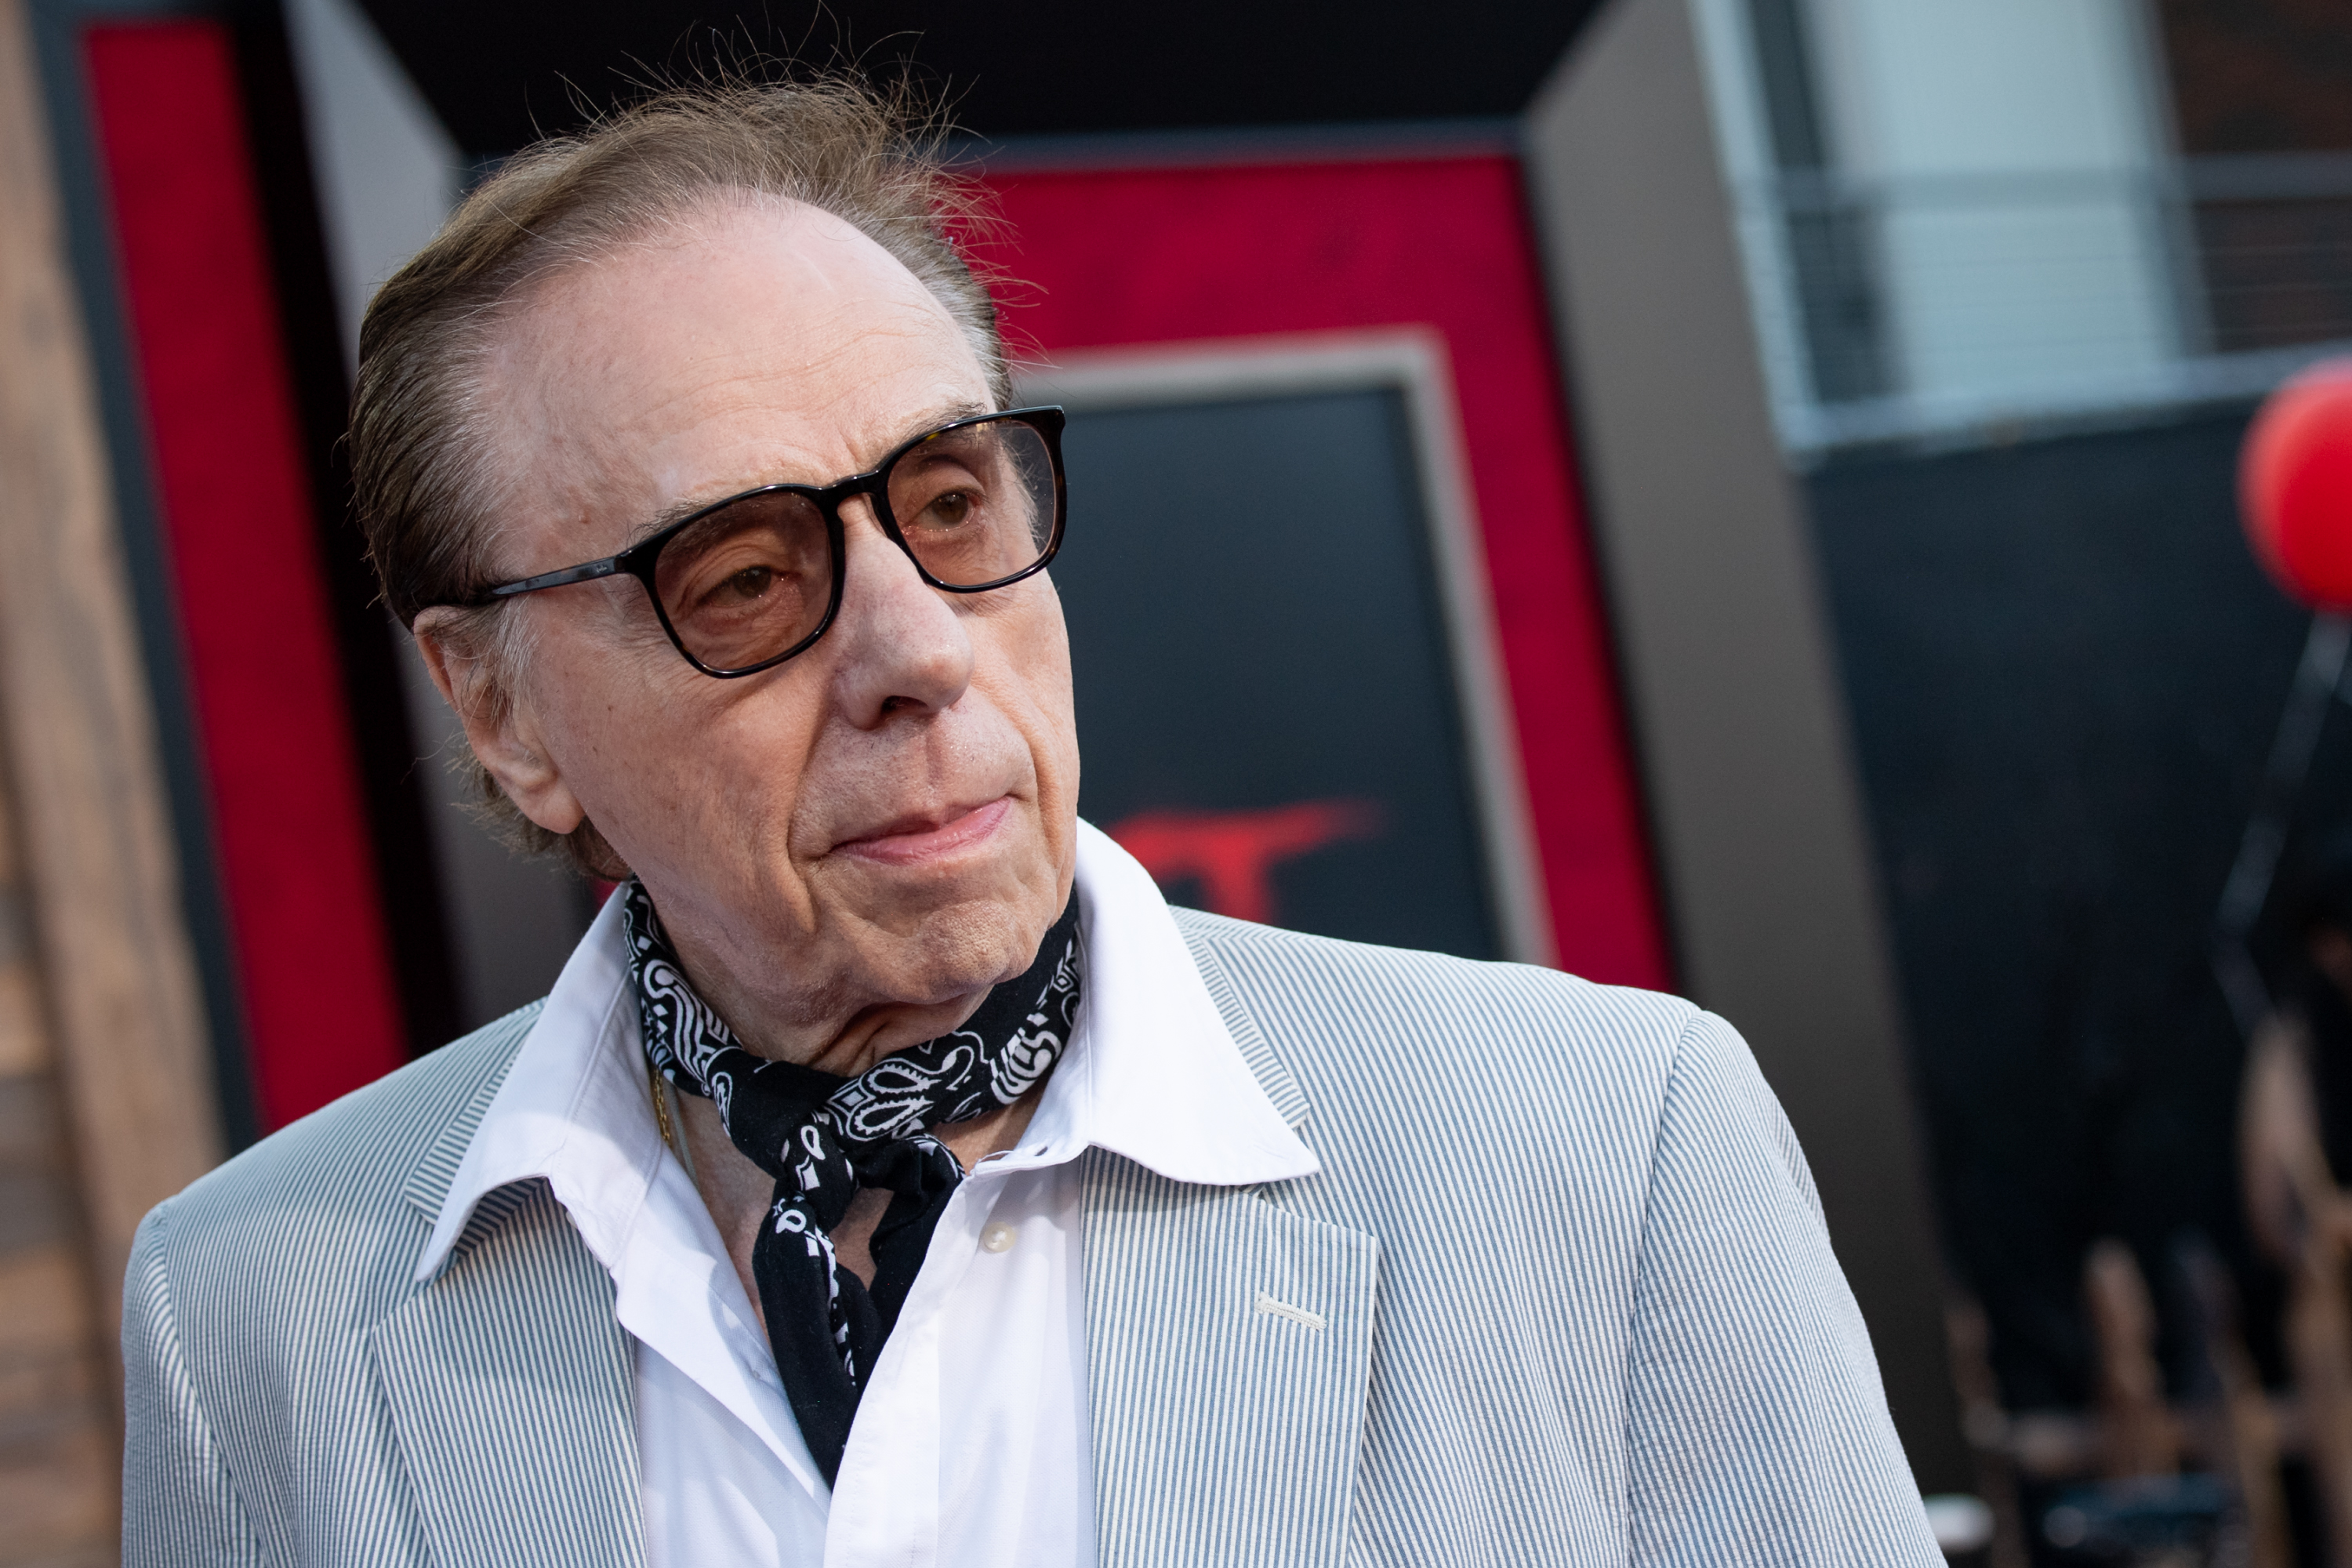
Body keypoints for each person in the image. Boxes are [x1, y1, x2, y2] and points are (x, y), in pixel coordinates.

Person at [121, 78, 1941, 1567]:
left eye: (952, 501)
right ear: (502, 710)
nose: (916, 649)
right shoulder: (252, 1316)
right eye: (744, 578)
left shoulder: (1609, 1154)